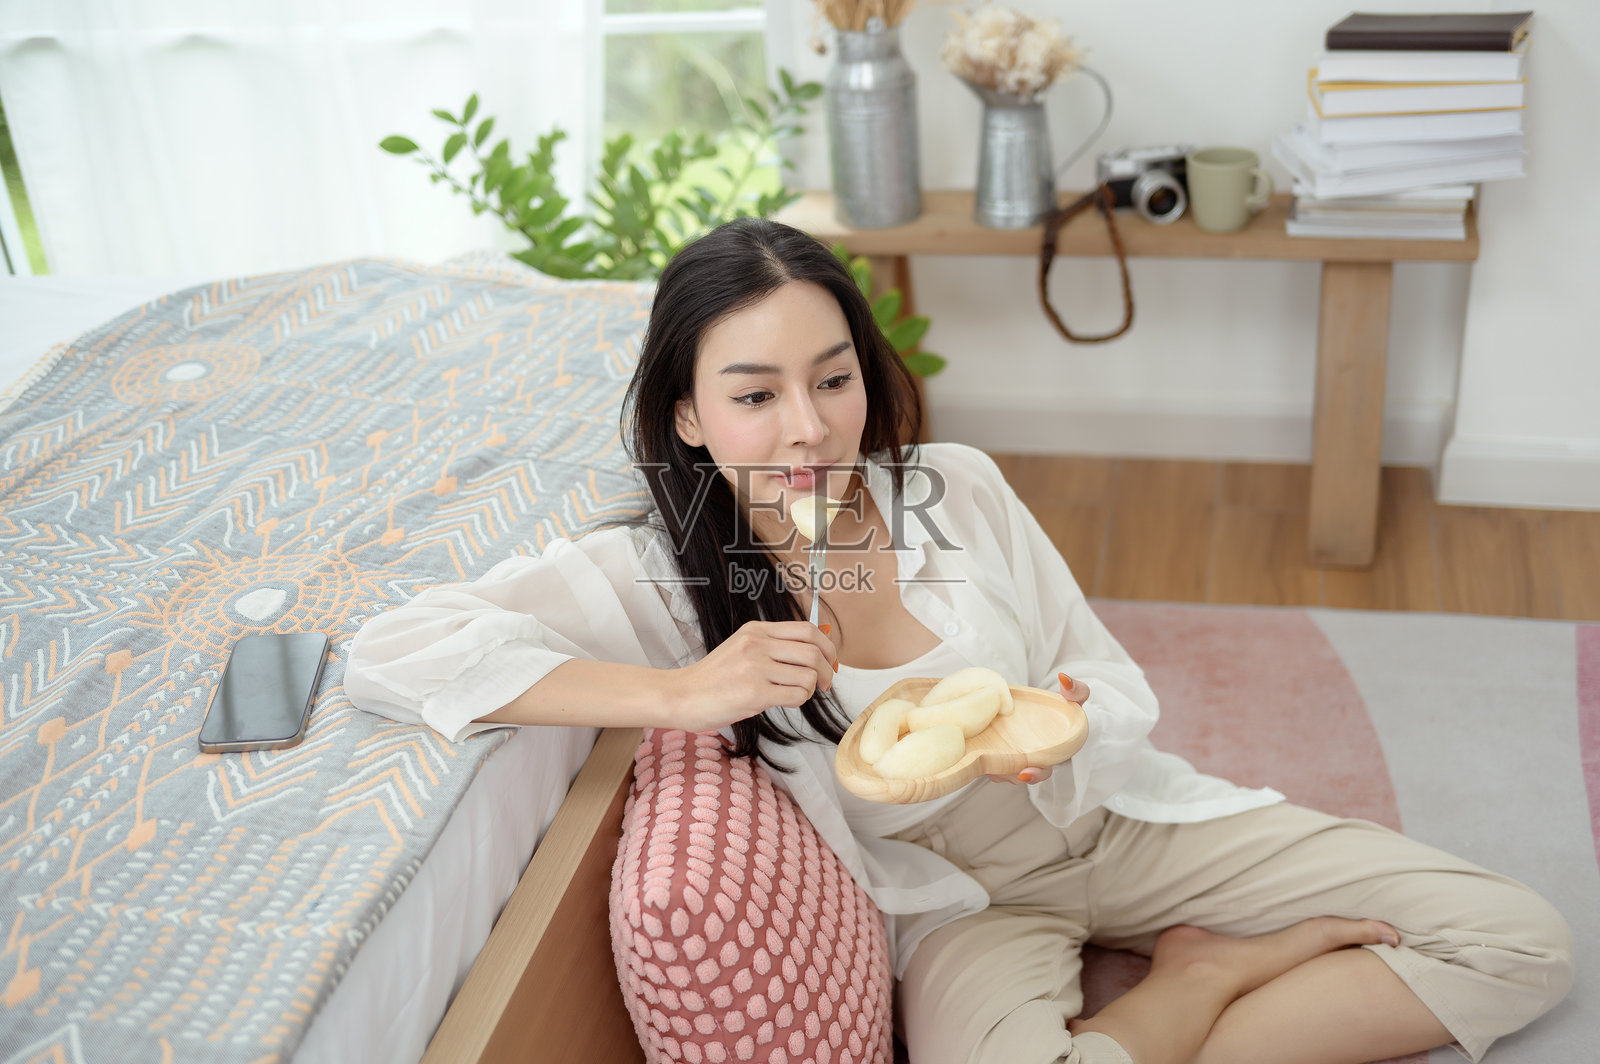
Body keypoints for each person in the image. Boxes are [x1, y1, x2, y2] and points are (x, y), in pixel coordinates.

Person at [344, 218, 1572, 1064]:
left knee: (1520, 942)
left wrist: (1072, 718)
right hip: (961, 903)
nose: (808, 426)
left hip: (1109, 815)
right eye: (755, 392)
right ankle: (1196, 978)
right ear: (687, 410)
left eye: (832, 378)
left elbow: (1105, 670)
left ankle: (1165, 999)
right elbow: (396, 647)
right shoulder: (660, 573)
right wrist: (681, 691)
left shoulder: (956, 483)